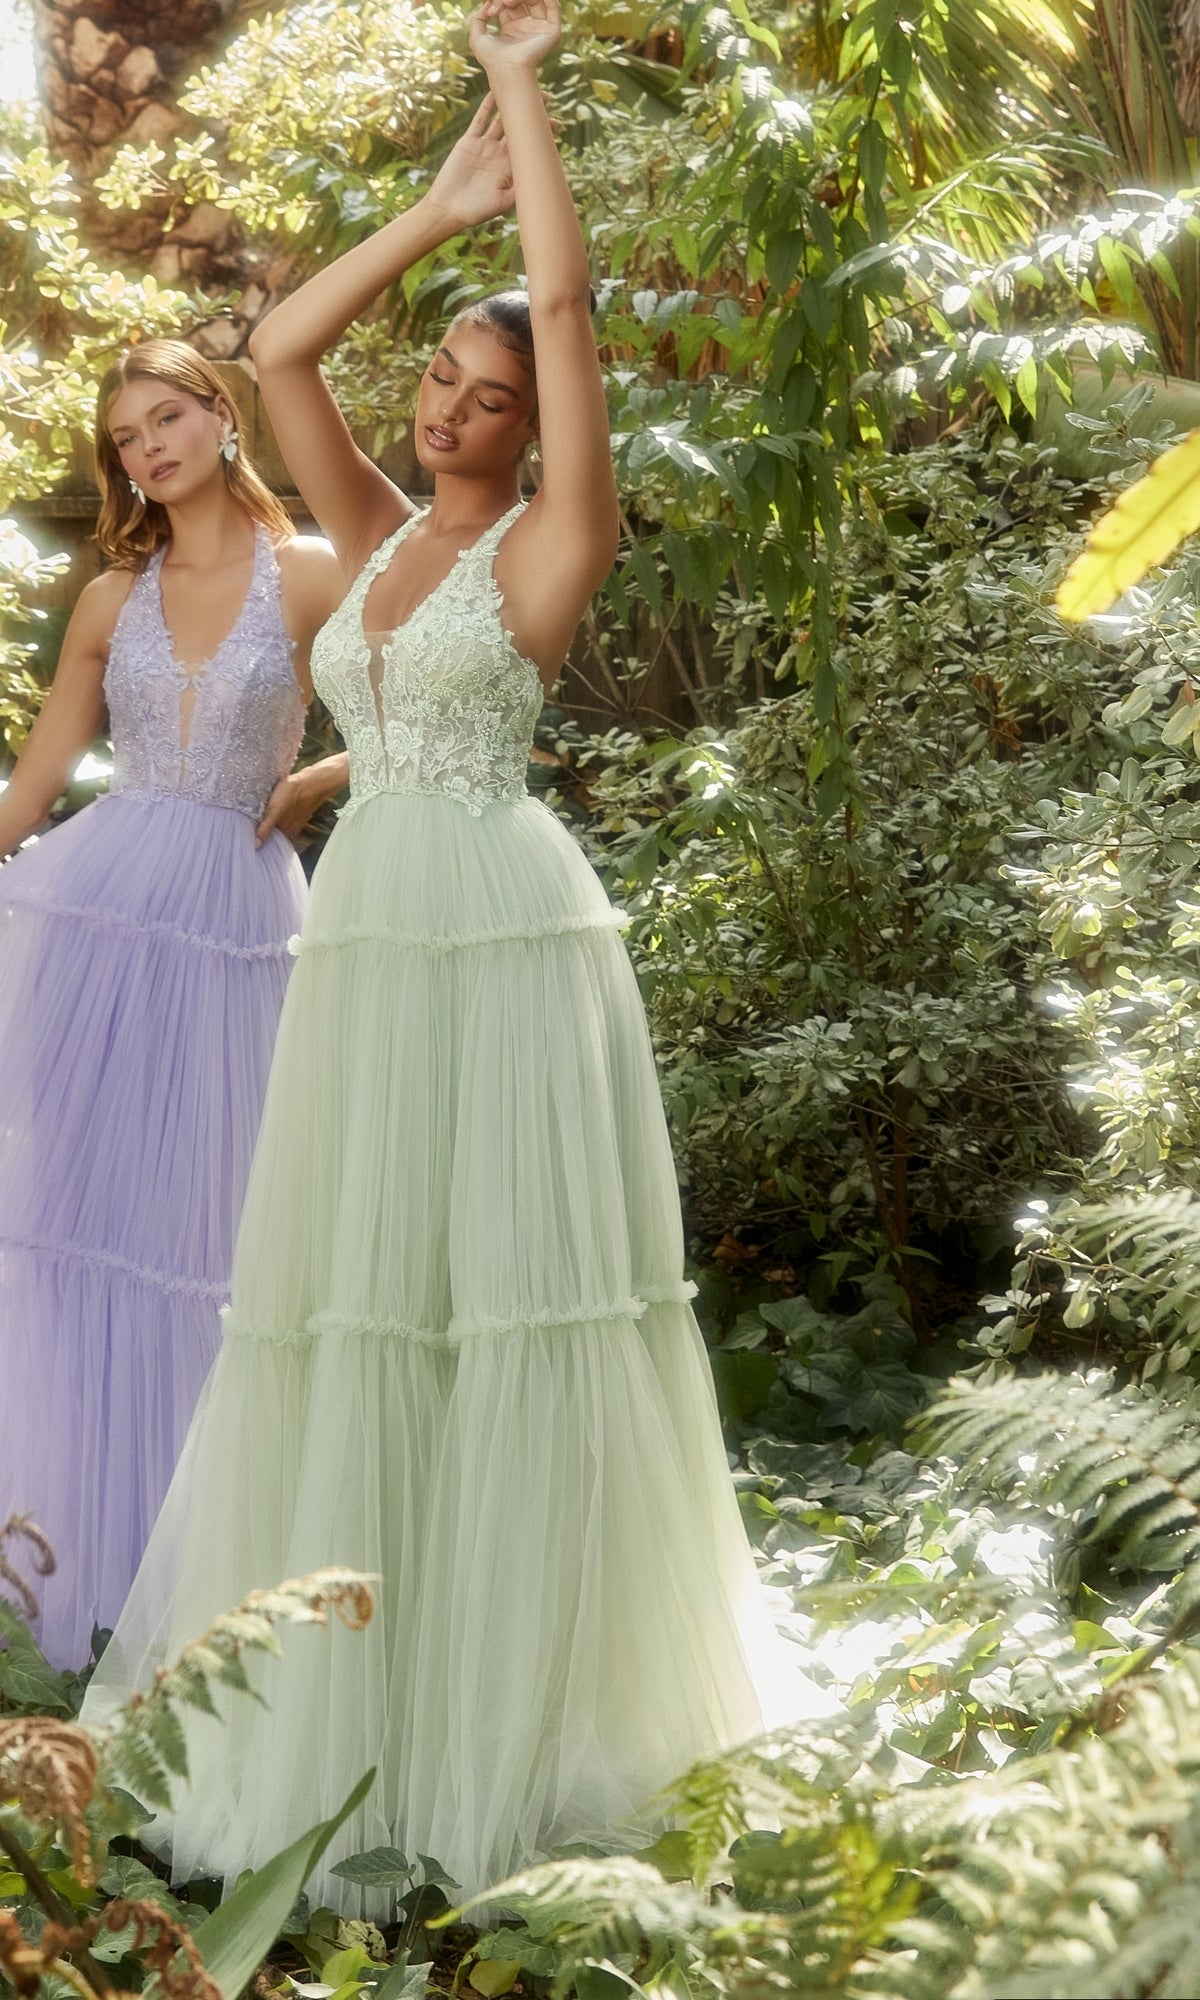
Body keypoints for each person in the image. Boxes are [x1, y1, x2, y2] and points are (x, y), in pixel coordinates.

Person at [85, 2, 800, 1905]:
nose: (452, 409)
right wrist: (435, 208)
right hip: (369, 948)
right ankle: (355, 1703)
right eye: (444, 388)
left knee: (507, 1314)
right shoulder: (378, 533)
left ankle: (525, 1715)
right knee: (354, 1310)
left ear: (539, 424)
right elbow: (281, 344)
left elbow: (565, 323)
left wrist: (520, 91)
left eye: (487, 396)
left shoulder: (557, 539)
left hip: (496, 932)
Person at [0, 339, 346, 1667]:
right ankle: (72, 1577)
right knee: (79, 1230)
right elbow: (33, 792)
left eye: (167, 416)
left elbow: (448, 687)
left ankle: (210, 1585)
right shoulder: (109, 598)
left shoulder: (313, 575)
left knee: (218, 1248)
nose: (149, 448)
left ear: (221, 413)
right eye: (126, 438)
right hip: (100, 923)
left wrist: (319, 781)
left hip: (236, 931)